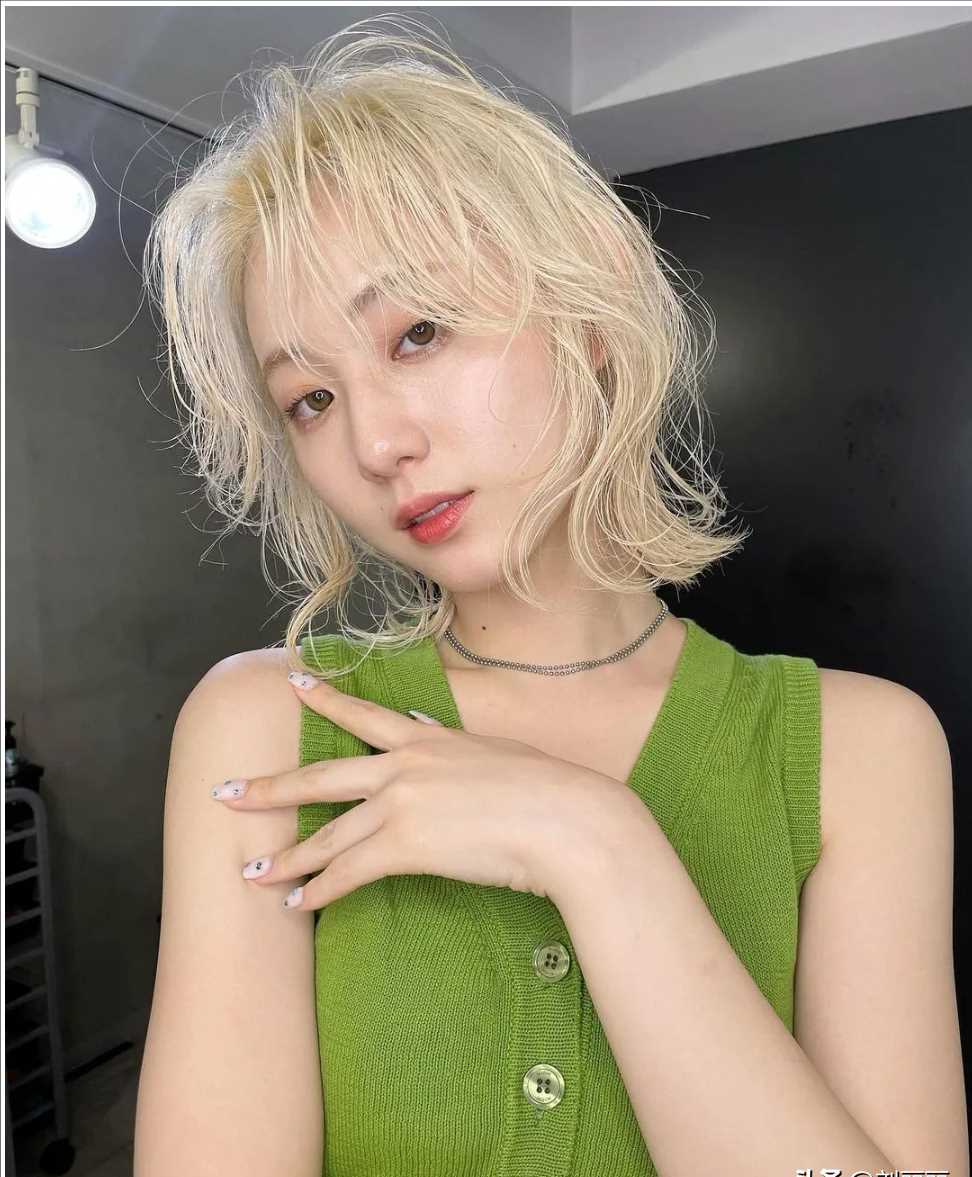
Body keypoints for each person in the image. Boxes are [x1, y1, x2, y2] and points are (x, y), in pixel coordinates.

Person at [133, 16, 967, 1177]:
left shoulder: (861, 750)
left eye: (418, 333)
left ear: (593, 293)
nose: (375, 442)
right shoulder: (273, 733)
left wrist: (596, 846)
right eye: (311, 399)